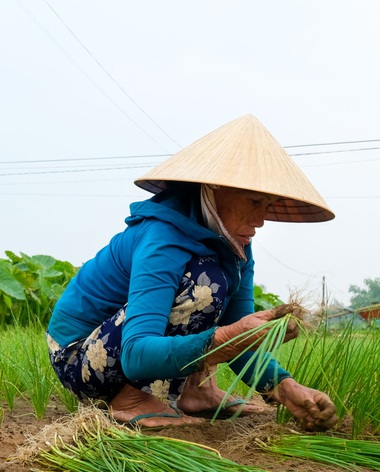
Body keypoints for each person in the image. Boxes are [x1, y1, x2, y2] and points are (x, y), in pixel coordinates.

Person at [46, 115, 339, 431]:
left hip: (117, 352)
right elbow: (136, 353)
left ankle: (197, 391)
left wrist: (286, 388)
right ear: (215, 187)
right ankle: (130, 400)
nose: (261, 219)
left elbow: (235, 334)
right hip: (80, 358)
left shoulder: (237, 244)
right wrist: (229, 336)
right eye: (254, 201)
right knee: (204, 282)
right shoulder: (163, 237)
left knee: (210, 283)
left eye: (266, 205)